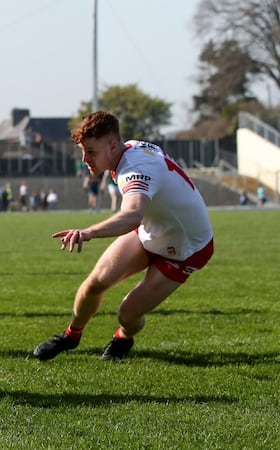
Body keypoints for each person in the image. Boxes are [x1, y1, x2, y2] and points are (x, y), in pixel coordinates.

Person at [32, 111, 214, 362]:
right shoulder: (127, 151)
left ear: (113, 145)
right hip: (152, 231)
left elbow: (131, 215)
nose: (85, 159)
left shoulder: (135, 168)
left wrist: (88, 232)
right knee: (94, 284)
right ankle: (71, 336)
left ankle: (123, 337)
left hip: (187, 247)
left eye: (91, 152)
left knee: (127, 314)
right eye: (83, 151)